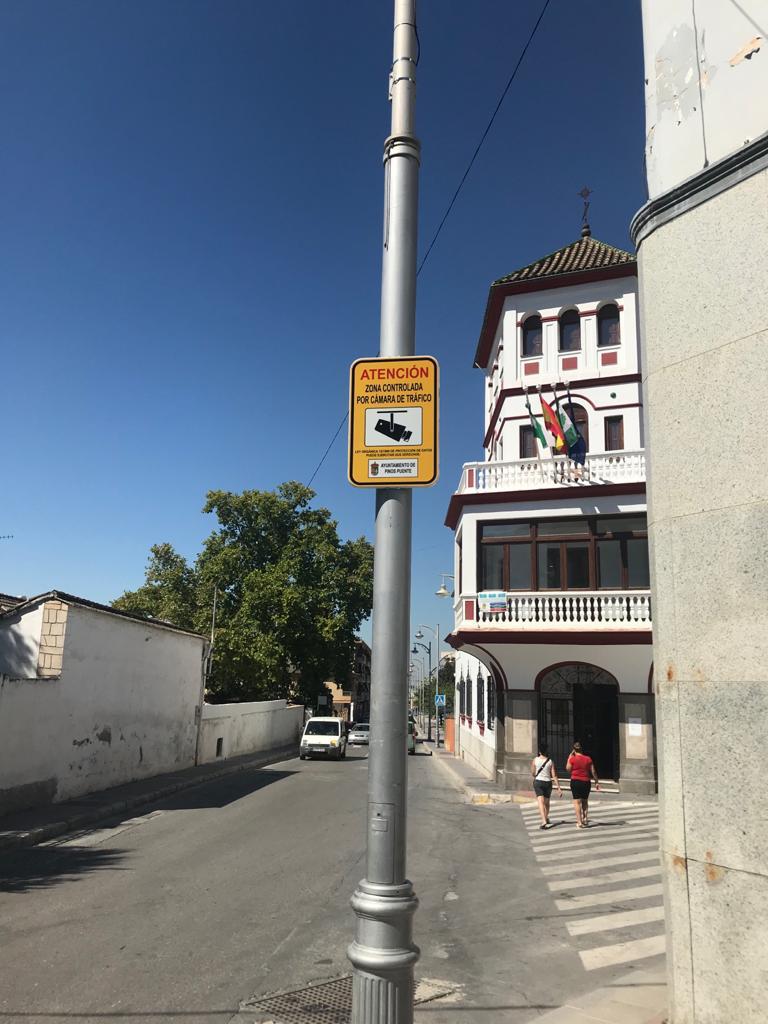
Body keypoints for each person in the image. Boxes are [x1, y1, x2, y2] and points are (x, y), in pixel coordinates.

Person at [566, 741, 599, 828]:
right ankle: (585, 818)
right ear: (582, 749)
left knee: (577, 802)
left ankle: (579, 822)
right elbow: (593, 771)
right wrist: (596, 782)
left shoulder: (572, 759)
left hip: (575, 781)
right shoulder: (588, 759)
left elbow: (568, 769)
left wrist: (569, 757)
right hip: (586, 782)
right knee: (585, 801)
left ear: (574, 750)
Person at [530, 741, 562, 829]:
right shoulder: (550, 761)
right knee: (547, 803)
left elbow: (533, 773)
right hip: (548, 783)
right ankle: (546, 817)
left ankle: (543, 820)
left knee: (540, 802)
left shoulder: (535, 760)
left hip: (538, 782)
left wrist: (536, 773)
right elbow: (554, 775)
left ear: (539, 751)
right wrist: (559, 788)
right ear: (546, 751)